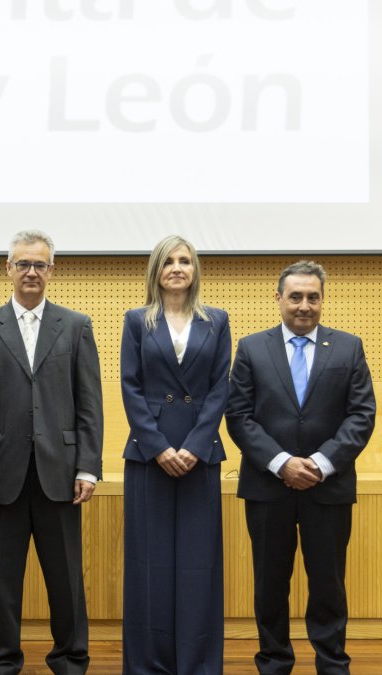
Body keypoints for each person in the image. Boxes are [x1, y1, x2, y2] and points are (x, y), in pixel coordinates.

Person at [0, 229, 103, 675]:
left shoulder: (76, 325)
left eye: (40, 264)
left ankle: (70, 659)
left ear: (51, 271)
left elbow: (89, 403)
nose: (31, 271)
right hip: (1, 476)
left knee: (66, 580)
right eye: (23, 263)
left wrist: (89, 467)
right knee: (2, 580)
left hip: (62, 472)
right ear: (8, 269)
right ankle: (1, 661)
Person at [226, 260, 376, 675]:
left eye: (313, 296)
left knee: (328, 583)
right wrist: (281, 463)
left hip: (327, 488)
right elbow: (238, 416)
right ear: (278, 299)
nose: (304, 305)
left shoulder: (349, 347)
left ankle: (332, 663)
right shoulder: (252, 348)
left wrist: (319, 463)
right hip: (267, 487)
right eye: (295, 296)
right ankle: (274, 662)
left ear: (323, 300)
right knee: (270, 584)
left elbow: (361, 415)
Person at [119, 235, 231, 675]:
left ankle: (199, 663)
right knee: (150, 566)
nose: (178, 268)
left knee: (199, 566)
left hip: (200, 458)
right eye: (169, 261)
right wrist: (160, 447)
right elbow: (130, 387)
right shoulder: (136, 321)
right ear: (156, 270)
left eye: (185, 260)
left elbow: (221, 388)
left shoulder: (216, 320)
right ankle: (149, 664)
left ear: (195, 269)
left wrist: (195, 447)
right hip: (149, 457)